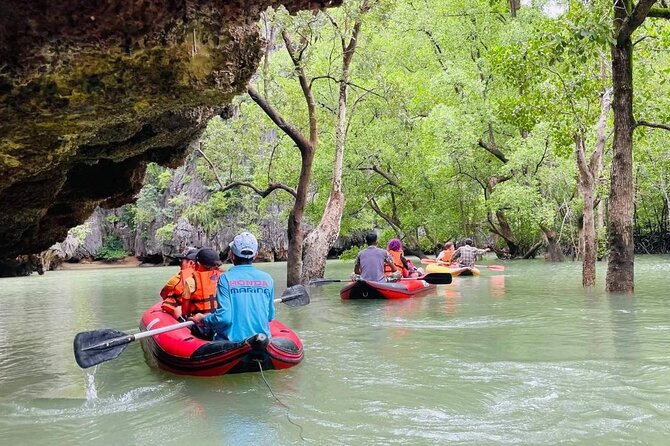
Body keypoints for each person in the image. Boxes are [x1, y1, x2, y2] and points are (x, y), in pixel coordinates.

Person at [190, 232, 275, 343]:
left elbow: (224, 318)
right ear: (256, 255)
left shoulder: (225, 279)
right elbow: (270, 316)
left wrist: (203, 319)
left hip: (232, 343)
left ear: (231, 254)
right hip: (263, 341)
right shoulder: (267, 279)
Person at [160, 247, 198, 319]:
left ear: (190, 263)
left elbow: (163, 294)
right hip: (201, 310)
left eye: (181, 261)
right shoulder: (210, 276)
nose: (180, 265)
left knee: (178, 309)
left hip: (185, 311)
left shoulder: (177, 279)